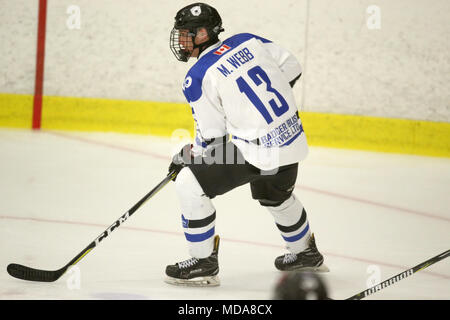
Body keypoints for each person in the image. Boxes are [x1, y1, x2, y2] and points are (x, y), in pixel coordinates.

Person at [165, 2, 327, 287]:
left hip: (256, 150)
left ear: (202, 34)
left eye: (186, 33)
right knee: (275, 194)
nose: (181, 39)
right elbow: (292, 66)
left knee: (189, 184)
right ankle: (305, 253)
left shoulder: (198, 75)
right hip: (291, 139)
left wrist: (187, 157)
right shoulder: (248, 40)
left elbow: (212, 141)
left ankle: (203, 263)